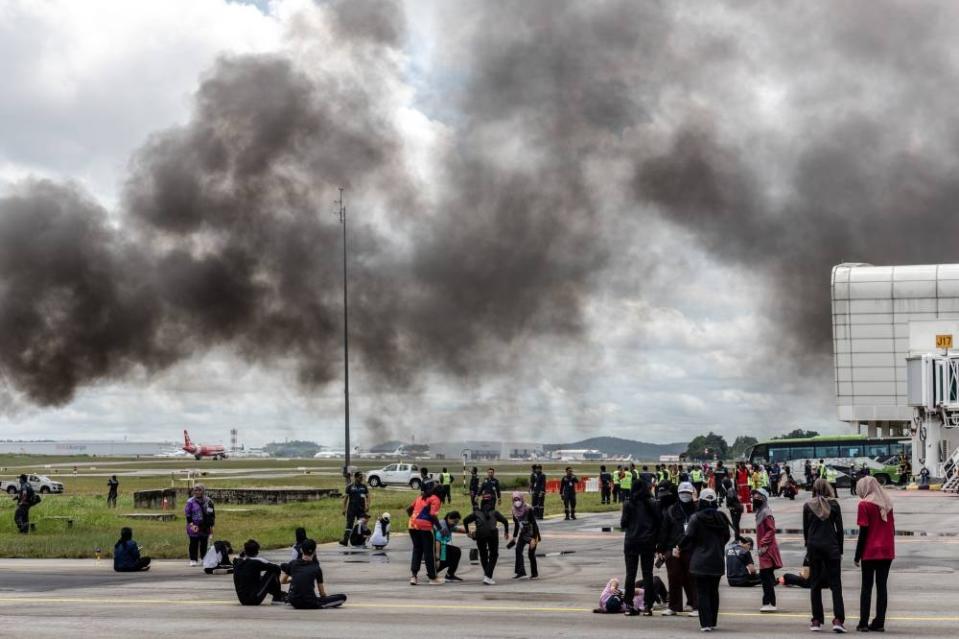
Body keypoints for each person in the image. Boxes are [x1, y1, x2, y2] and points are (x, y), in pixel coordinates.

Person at [679, 488, 731, 633]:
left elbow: (688, 537)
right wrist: (718, 546)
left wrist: (680, 547)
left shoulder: (696, 518)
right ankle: (713, 621)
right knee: (714, 591)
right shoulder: (721, 517)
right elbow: (727, 536)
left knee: (702, 592)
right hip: (717, 559)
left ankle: (705, 623)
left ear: (701, 501)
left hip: (700, 561)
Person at [803, 478, 846, 633]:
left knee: (815, 584)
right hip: (831, 547)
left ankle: (816, 620)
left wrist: (808, 549)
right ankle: (838, 619)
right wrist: (840, 550)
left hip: (814, 547)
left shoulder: (808, 506)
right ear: (828, 489)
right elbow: (839, 530)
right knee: (836, 585)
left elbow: (806, 531)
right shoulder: (834, 505)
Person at [854, 475, 895, 632]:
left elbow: (863, 533)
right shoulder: (887, 503)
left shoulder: (864, 505)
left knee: (866, 587)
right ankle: (879, 622)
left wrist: (857, 555)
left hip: (870, 551)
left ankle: (863, 623)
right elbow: (891, 529)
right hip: (887, 550)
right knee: (882, 587)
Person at [621, 479, 661, 616]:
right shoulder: (652, 503)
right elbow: (658, 522)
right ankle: (648, 606)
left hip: (631, 541)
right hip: (648, 542)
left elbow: (623, 523)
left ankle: (628, 605)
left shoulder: (628, 504)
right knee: (647, 574)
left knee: (630, 574)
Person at [658, 481, 698, 617]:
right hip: (672, 549)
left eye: (688, 493)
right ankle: (674, 606)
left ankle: (694, 605)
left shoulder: (697, 510)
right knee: (673, 578)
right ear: (678, 494)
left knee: (692, 578)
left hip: (691, 549)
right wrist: (661, 549)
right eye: (682, 493)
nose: (685, 496)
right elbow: (664, 531)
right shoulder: (671, 511)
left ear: (692, 494)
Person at [280, 539, 347, 609]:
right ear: (314, 552)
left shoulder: (292, 563)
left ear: (301, 550)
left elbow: (282, 581)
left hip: (294, 601)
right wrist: (324, 598)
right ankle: (322, 603)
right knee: (342, 597)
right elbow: (322, 593)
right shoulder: (316, 568)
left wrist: (292, 580)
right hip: (310, 602)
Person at [463, 499, 510, 585]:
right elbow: (505, 521)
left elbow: (465, 520)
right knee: (494, 554)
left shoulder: (476, 513)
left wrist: (467, 532)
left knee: (483, 554)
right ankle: (488, 576)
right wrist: (506, 532)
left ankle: (487, 575)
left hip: (480, 534)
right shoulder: (495, 512)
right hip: (492, 533)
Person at [407, 480, 442, 585]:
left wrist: (414, 519)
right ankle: (432, 577)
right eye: (435, 485)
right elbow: (432, 515)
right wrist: (440, 528)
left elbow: (408, 509)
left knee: (417, 550)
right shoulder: (435, 498)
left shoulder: (419, 498)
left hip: (412, 526)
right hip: (425, 528)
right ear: (431, 488)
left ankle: (413, 576)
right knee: (428, 553)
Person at [752, 488, 782, 612]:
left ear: (764, 498)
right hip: (763, 549)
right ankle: (769, 602)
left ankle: (769, 602)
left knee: (766, 577)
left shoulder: (766, 512)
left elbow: (771, 530)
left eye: (758, 496)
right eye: (754, 495)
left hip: (767, 549)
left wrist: (763, 542)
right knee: (767, 576)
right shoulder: (760, 512)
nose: (755, 498)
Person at [233, 539, 286, 606]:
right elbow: (277, 568)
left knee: (256, 578)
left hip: (242, 600)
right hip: (253, 599)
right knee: (273, 573)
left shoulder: (237, 561)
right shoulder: (256, 562)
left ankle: (279, 594)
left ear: (245, 550)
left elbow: (243, 561)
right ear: (257, 552)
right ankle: (277, 597)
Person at [510, 492, 540, 579]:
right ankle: (521, 572)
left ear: (521, 499)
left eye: (518, 499)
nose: (516, 501)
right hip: (523, 533)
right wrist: (514, 537)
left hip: (532, 533)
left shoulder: (528, 509)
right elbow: (516, 524)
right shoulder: (514, 510)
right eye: (515, 500)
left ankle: (534, 574)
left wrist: (534, 539)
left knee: (531, 554)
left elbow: (534, 524)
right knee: (518, 550)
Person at [184, 484, 215, 566]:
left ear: (203, 491)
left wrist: (211, 526)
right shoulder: (190, 502)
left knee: (204, 543)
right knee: (193, 543)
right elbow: (188, 514)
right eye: (195, 490)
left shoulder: (209, 501)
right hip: (194, 525)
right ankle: (193, 559)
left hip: (205, 526)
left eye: (199, 490)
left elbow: (211, 514)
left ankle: (203, 558)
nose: (197, 492)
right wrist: (192, 525)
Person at [340, 471, 370, 546]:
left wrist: (367, 505)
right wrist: (344, 509)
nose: (361, 479)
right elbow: (345, 498)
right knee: (349, 524)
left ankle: (361, 540)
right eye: (360, 477)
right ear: (355, 478)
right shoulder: (349, 487)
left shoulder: (364, 487)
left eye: (362, 477)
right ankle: (345, 540)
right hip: (351, 509)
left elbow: (368, 496)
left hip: (361, 509)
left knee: (362, 525)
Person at [435, 510, 463, 581]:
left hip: (442, 544)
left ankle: (449, 574)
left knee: (456, 551)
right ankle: (433, 572)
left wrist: (469, 532)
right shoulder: (443, 526)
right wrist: (437, 556)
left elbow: (457, 529)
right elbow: (437, 540)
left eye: (457, 522)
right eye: (454, 522)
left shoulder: (448, 524)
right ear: (449, 518)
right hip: (435, 545)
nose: (455, 524)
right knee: (449, 556)